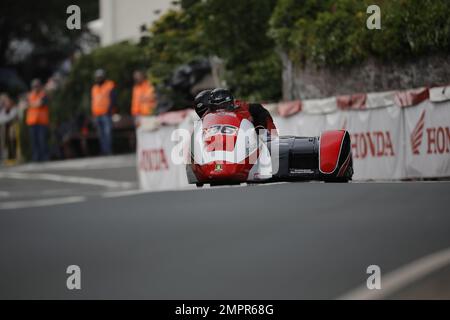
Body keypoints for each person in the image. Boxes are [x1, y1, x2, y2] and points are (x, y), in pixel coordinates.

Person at [194, 88, 277, 136]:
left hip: (244, 134)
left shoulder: (235, 105)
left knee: (258, 109)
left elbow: (248, 114)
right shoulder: (205, 118)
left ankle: (270, 138)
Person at [91, 69, 116, 155]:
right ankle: (103, 150)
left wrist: (110, 110)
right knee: (100, 134)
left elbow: (113, 98)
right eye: (97, 77)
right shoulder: (94, 88)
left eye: (100, 77)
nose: (98, 79)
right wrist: (93, 114)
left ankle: (109, 151)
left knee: (107, 133)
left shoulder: (109, 85)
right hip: (97, 114)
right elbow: (93, 101)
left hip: (106, 114)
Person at [26, 79, 50, 162]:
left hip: (41, 122)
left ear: (40, 86)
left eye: (37, 86)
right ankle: (36, 158)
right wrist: (35, 103)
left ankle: (45, 157)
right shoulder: (30, 95)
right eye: (34, 86)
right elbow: (26, 104)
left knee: (42, 141)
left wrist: (33, 104)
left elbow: (40, 104)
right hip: (32, 122)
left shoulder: (43, 95)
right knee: (34, 142)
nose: (35, 88)